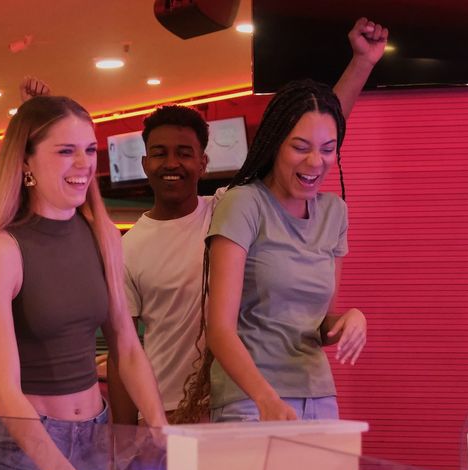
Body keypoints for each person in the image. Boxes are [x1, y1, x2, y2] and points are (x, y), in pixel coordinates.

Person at [110, 18, 388, 424]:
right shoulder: (228, 208)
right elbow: (125, 347)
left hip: (280, 395)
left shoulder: (229, 204)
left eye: (184, 153)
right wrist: (125, 437)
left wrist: (361, 64)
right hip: (194, 402)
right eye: (160, 153)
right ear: (143, 162)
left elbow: (316, 127)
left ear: (203, 162)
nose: (173, 164)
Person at [0, 95, 166, 470]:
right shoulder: (0, 248)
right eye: (66, 151)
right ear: (25, 162)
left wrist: (160, 429)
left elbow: (126, 346)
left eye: (89, 150)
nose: (84, 164)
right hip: (22, 452)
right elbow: (5, 388)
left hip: (94, 437)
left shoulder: (102, 233)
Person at [179, 76, 372, 424]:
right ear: (275, 144)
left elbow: (319, 326)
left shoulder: (334, 212)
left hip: (317, 396)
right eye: (300, 147)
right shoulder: (243, 203)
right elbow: (219, 328)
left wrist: (349, 319)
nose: (316, 161)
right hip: (249, 400)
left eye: (328, 149)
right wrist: (265, 399)